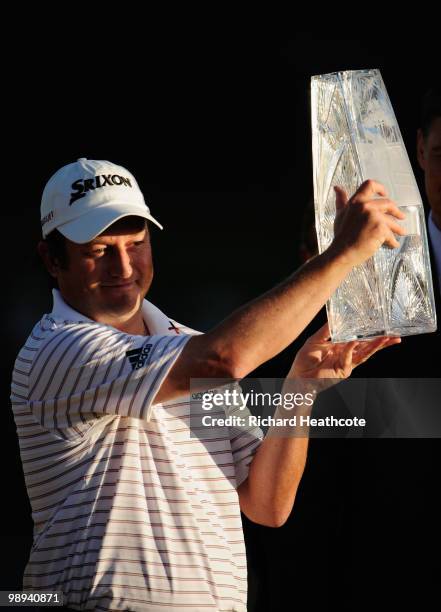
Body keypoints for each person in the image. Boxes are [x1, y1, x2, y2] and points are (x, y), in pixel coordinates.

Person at [11, 158, 404, 611]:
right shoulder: (57, 349)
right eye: (98, 251)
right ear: (51, 259)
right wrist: (344, 253)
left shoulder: (189, 346)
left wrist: (300, 389)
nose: (123, 266)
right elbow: (226, 358)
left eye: (136, 244)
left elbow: (267, 505)